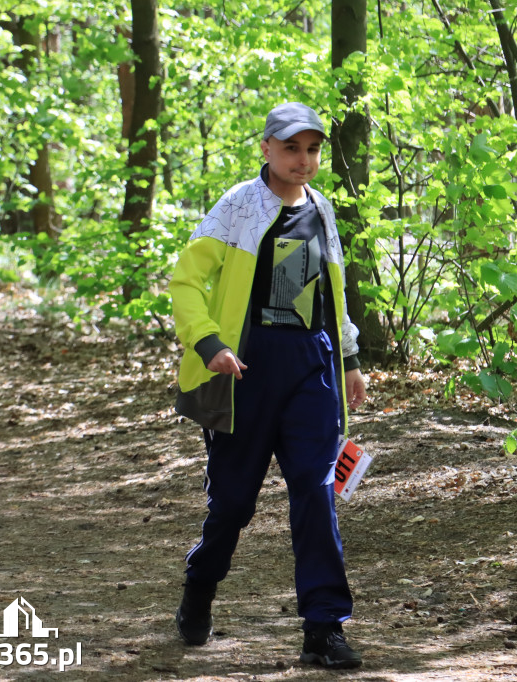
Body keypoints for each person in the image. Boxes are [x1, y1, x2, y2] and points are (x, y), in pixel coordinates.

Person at [168, 102, 367, 670]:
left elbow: (334, 293)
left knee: (316, 489)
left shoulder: (322, 210)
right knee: (232, 504)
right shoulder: (237, 207)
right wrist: (210, 344)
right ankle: (200, 583)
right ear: (266, 149)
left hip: (311, 368)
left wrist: (349, 358)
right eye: (290, 149)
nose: (303, 161)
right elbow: (186, 281)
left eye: (312, 150)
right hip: (244, 373)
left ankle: (324, 627)